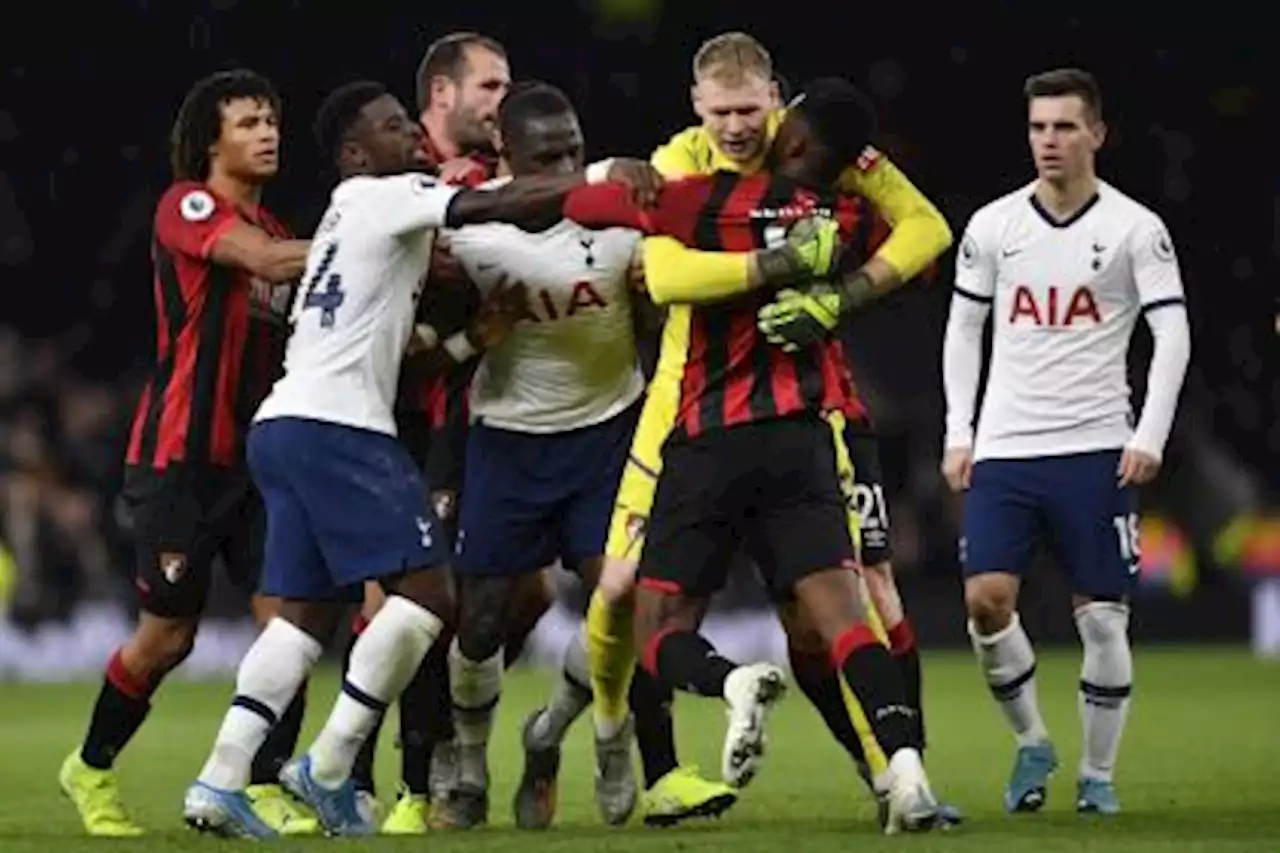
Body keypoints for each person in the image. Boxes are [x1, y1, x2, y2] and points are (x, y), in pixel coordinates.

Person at [180, 79, 660, 839]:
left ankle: (220, 776)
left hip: (284, 422)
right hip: (342, 427)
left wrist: (474, 337)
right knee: (434, 596)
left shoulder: (347, 219)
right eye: (395, 127)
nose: (413, 137)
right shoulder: (386, 193)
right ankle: (329, 766)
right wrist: (602, 176)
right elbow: (507, 206)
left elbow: (411, 353)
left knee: (302, 621)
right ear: (353, 152)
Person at [583, 31, 959, 825]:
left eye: (750, 109)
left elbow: (927, 225)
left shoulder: (818, 152)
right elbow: (665, 273)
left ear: (777, 101)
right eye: (721, 111)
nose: (737, 128)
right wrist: (785, 266)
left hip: (806, 409)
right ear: (697, 107)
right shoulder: (682, 159)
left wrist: (842, 295)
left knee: (856, 601)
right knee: (616, 591)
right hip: (684, 407)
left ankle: (896, 774)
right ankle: (619, 741)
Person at [57, 69, 315, 838]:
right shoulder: (189, 205)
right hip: (178, 460)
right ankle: (91, 767)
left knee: (288, 626)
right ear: (211, 140)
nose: (266, 132)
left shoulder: (279, 229)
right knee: (169, 636)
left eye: (271, 119)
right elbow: (267, 266)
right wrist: (363, 234)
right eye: (246, 123)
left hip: (255, 463)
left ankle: (263, 782)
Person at [940, 68, 1191, 816]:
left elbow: (1172, 333)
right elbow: (964, 329)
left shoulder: (1135, 229)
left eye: (1063, 127)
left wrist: (1149, 433)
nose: (1047, 141)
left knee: (1104, 617)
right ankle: (1031, 742)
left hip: (1096, 447)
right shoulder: (993, 226)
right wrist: (962, 431)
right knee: (986, 601)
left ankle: (1098, 775)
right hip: (1008, 449)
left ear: (1097, 134)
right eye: (1037, 128)